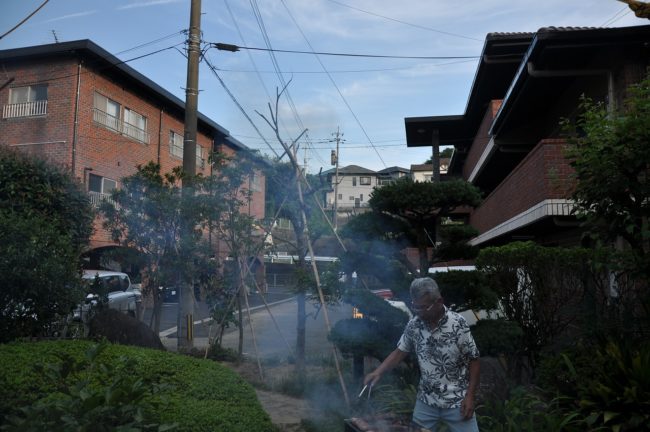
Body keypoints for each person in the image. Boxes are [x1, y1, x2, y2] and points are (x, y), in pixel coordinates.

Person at [364, 277, 480, 432]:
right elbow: (400, 351)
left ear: (439, 301)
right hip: (426, 400)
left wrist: (470, 396)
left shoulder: (457, 324)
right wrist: (378, 372)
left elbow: (474, 359)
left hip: (457, 401)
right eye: (415, 307)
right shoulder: (415, 324)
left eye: (423, 307)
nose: (418, 312)